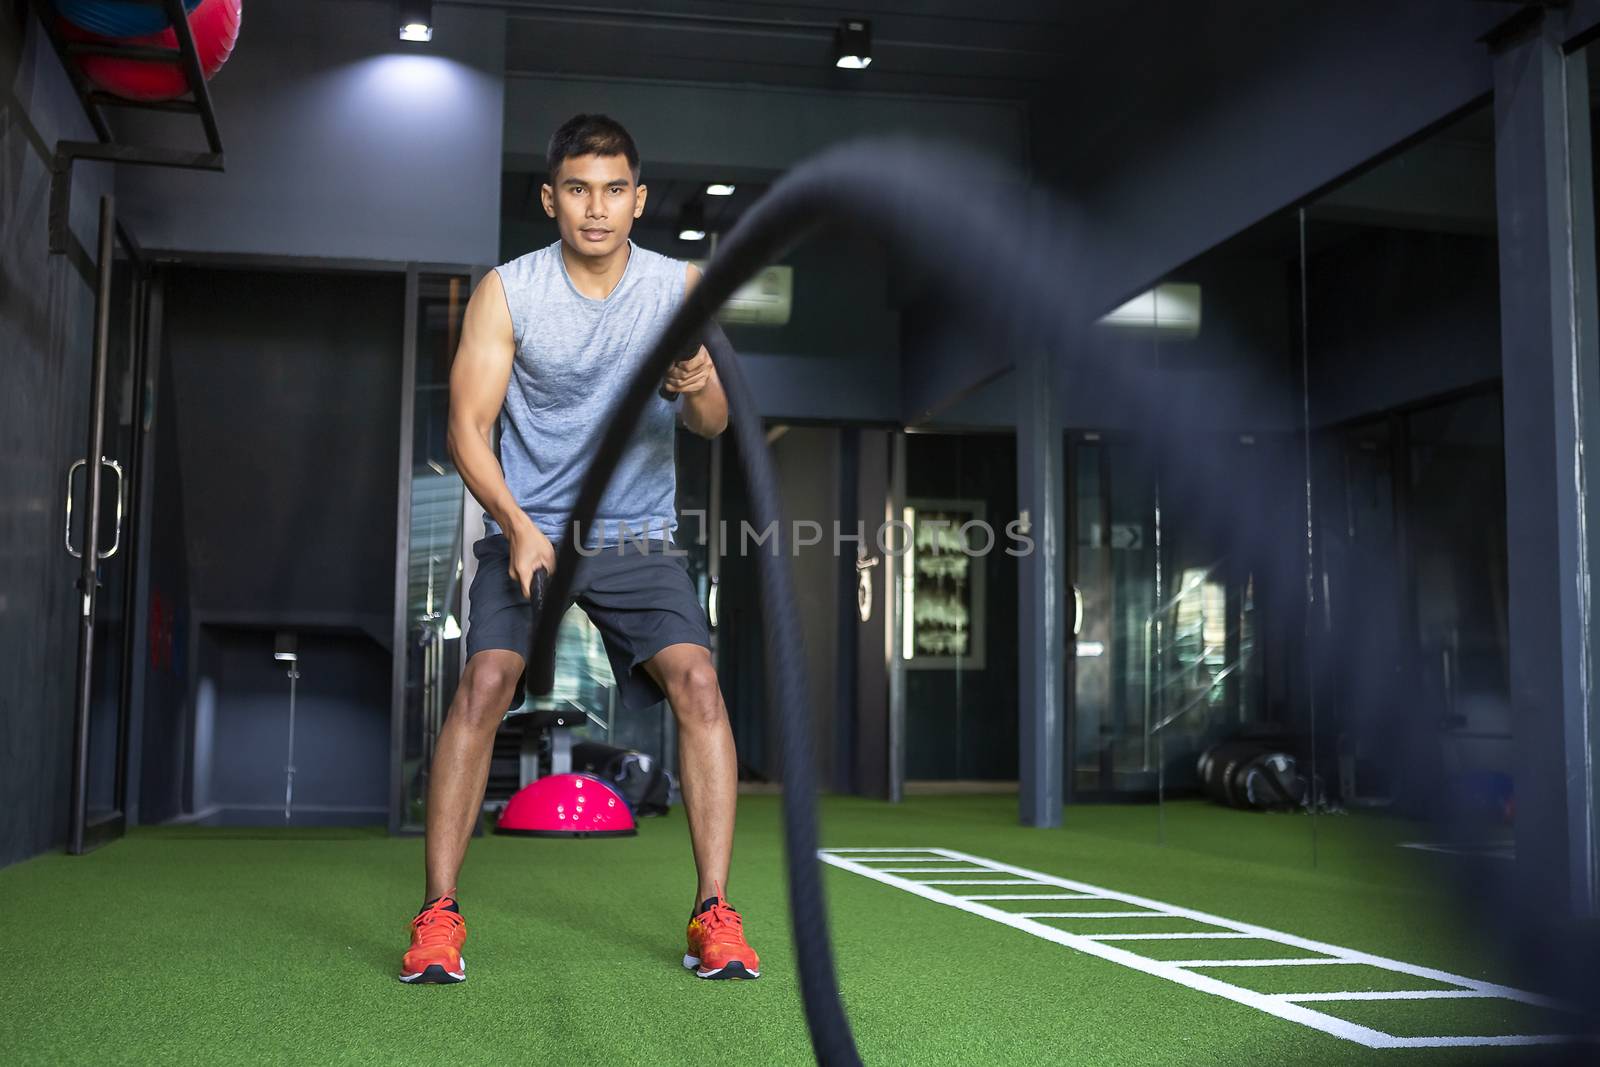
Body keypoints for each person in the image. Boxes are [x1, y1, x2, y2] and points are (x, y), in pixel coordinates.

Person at [399, 114, 759, 984]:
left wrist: (700, 380)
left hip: (635, 532)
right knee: (483, 683)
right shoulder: (509, 291)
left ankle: (714, 911)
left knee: (700, 683)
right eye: (576, 189)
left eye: (612, 190)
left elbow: (713, 425)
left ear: (637, 200)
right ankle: (439, 913)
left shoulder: (680, 288)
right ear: (550, 196)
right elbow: (465, 428)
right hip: (531, 525)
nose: (595, 208)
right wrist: (518, 526)